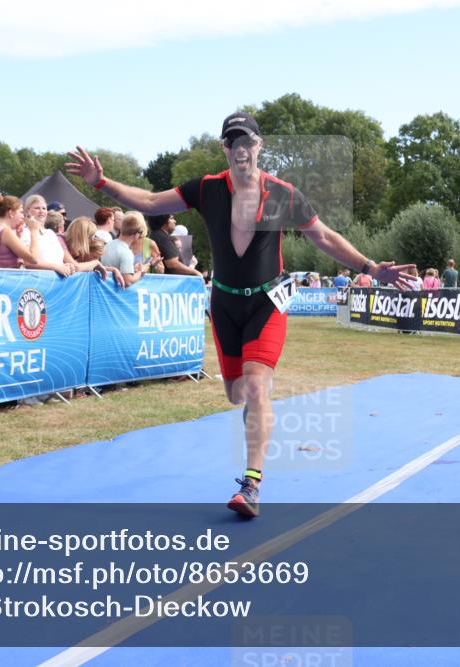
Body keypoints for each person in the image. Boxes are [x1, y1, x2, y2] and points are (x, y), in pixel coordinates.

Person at [66, 111, 412, 518]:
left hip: (267, 303)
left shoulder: (283, 193)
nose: (241, 149)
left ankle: (251, 484)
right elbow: (151, 201)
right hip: (225, 303)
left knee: (256, 387)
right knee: (237, 394)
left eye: (247, 141)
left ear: (259, 145)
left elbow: (323, 236)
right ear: (225, 149)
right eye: (233, 142)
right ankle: (255, 403)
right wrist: (101, 182)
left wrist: (369, 267)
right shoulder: (207, 188)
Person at [0, 194, 75, 277]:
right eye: (20, 212)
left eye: (44, 208)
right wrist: (34, 231)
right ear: (11, 213)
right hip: (11, 278)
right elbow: (33, 259)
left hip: (3, 276)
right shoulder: (6, 231)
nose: (22, 216)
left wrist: (61, 266)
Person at [63, 216, 125, 285]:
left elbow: (83, 267)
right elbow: (76, 267)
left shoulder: (70, 246)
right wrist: (95, 263)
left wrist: (113, 270)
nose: (93, 239)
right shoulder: (60, 241)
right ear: (83, 236)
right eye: (91, 235)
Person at [101, 212, 151, 287]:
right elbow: (128, 282)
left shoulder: (108, 245)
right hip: (115, 291)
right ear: (136, 234)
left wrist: (132, 269)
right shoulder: (126, 252)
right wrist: (141, 271)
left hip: (104, 289)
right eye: (140, 233)